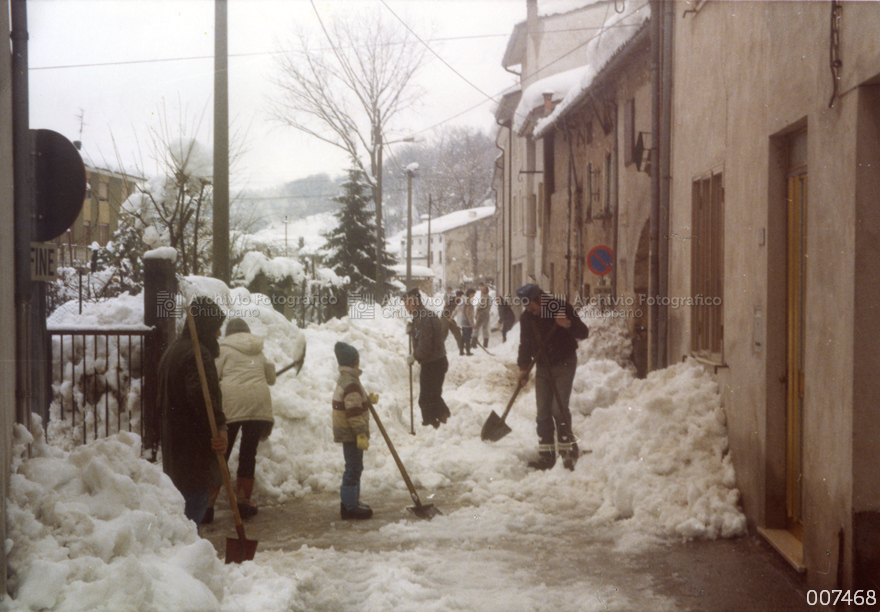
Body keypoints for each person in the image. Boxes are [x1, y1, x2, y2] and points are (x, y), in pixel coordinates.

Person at [158, 296, 228, 526]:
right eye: (217, 327)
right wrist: (219, 427)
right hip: (194, 448)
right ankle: (189, 553)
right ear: (206, 326)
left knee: (183, 509)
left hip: (175, 444)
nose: (219, 334)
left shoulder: (173, 351)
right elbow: (202, 396)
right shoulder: (197, 356)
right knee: (192, 511)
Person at [207, 318, 276, 522]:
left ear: (229, 333)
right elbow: (271, 377)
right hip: (258, 403)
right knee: (248, 452)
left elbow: (214, 374)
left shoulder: (224, 349)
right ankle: (244, 502)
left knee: (222, 451)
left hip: (231, 405)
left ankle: (208, 505)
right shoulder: (258, 350)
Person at [515, 284, 589, 470]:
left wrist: (569, 324)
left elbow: (583, 332)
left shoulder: (560, 308)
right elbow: (525, 342)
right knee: (543, 412)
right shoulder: (527, 318)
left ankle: (567, 454)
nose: (528, 310)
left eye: (530, 305)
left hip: (564, 363)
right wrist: (523, 368)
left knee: (558, 408)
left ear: (540, 299)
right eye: (525, 307)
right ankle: (546, 457)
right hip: (542, 366)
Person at [332, 341, 373, 520]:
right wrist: (361, 433)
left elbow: (353, 402)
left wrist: (367, 399)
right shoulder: (352, 383)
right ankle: (349, 507)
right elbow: (354, 412)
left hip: (348, 431)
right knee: (353, 467)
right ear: (354, 362)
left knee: (355, 466)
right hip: (352, 432)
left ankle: (352, 502)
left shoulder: (348, 380)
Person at [404, 287, 451, 428]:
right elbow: (425, 337)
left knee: (427, 398)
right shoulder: (423, 316)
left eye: (408, 304)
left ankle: (435, 424)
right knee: (432, 396)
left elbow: (426, 344)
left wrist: (415, 356)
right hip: (436, 362)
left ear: (416, 302)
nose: (406, 307)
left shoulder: (422, 318)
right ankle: (441, 422)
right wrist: (413, 331)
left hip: (433, 363)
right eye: (405, 304)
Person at [473, 283, 492, 349]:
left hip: (484, 314)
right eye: (482, 289)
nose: (483, 290)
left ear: (487, 290)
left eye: (484, 289)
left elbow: (484, 306)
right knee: (479, 328)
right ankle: (475, 343)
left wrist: (478, 311)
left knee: (482, 328)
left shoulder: (488, 298)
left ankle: (483, 343)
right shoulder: (482, 297)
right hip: (481, 314)